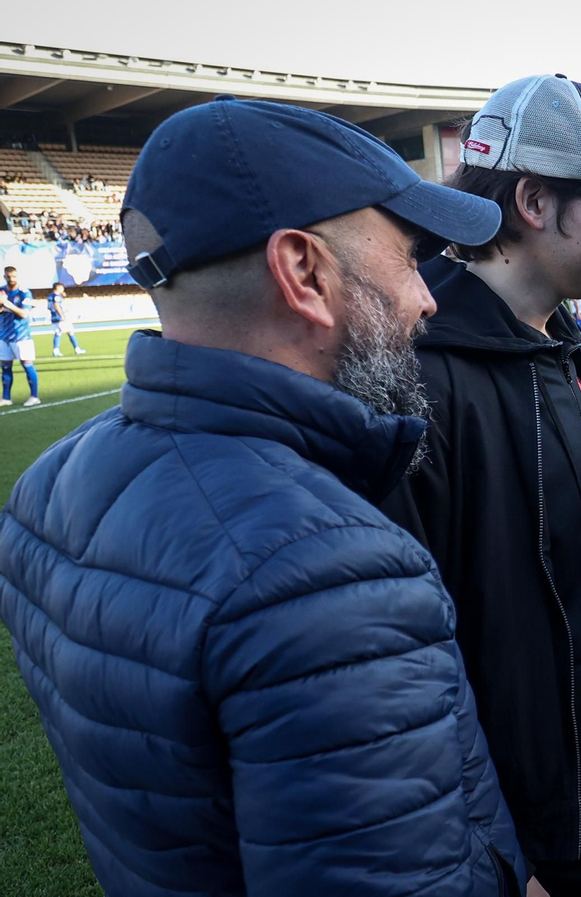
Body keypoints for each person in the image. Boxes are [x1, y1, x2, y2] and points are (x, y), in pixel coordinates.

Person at [0, 97, 528, 896]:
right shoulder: (325, 568)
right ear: (305, 271)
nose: (427, 298)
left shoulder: (49, 483)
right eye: (409, 256)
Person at [378, 74, 581, 897]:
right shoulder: (421, 383)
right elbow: (405, 660)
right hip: (532, 847)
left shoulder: (559, 341)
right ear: (531, 199)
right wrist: (493, 849)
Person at [0, 266, 40, 406]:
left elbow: (23, 313)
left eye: (14, 276)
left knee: (27, 364)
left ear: (17, 276)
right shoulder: (1, 291)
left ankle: (34, 396)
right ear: (5, 276)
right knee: (5, 366)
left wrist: (6, 304)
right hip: (4, 335)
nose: (11, 279)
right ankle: (6, 398)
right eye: (9, 277)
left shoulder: (24, 293)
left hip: (21, 336)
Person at [47, 281, 86, 356]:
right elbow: (56, 305)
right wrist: (62, 315)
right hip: (60, 317)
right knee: (70, 332)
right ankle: (77, 349)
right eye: (61, 287)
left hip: (54, 317)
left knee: (58, 333)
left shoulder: (50, 296)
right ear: (58, 287)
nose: (63, 289)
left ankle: (56, 350)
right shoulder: (56, 296)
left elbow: (49, 306)